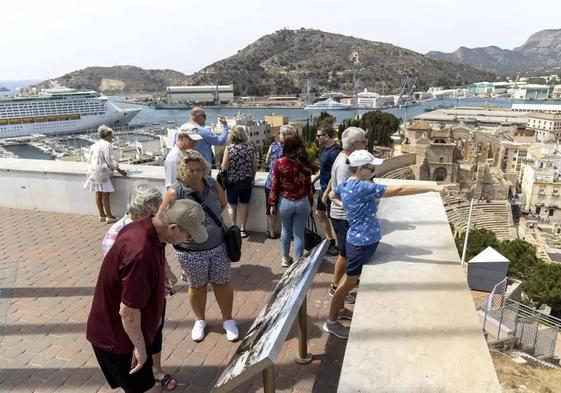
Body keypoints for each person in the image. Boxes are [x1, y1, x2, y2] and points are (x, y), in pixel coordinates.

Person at [87, 198, 208, 393]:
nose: (189, 240)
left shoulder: (146, 225)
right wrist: (141, 349)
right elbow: (128, 312)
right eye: (189, 236)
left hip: (125, 333)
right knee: (147, 390)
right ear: (174, 228)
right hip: (119, 339)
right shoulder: (141, 254)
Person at [323, 150, 443, 339]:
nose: (374, 169)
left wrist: (345, 205)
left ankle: (340, 309)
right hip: (360, 243)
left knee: (350, 282)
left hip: (359, 240)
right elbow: (400, 190)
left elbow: (330, 195)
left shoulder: (346, 185)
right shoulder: (364, 188)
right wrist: (430, 188)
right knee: (348, 284)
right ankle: (331, 322)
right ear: (361, 169)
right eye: (371, 167)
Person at [101, 185, 178, 391]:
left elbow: (158, 250)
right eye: (153, 213)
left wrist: (164, 273)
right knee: (141, 380)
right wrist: (138, 346)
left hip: (148, 301)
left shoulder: (151, 229)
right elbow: (127, 305)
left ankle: (156, 369)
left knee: (155, 332)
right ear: (138, 212)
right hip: (132, 312)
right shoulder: (125, 238)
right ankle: (149, 371)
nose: (159, 217)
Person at [165, 149, 239, 343]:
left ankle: (228, 320)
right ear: (183, 170)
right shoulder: (176, 191)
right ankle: (200, 320)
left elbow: (222, 205)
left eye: (199, 169)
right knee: (197, 286)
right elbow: (163, 219)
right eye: (191, 170)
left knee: (222, 283)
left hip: (218, 246)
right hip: (190, 251)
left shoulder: (213, 185)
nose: (195, 174)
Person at [324, 127, 368, 303]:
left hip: (344, 215)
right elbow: (344, 192)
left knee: (346, 252)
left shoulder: (344, 158)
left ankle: (342, 284)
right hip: (343, 215)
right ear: (356, 144)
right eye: (364, 142)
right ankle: (336, 287)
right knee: (344, 253)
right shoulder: (345, 164)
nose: (366, 144)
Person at [269, 133, 318, 267]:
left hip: (285, 202)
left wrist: (272, 204)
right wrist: (311, 202)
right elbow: (309, 185)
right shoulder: (305, 164)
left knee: (285, 230)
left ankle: (285, 258)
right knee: (299, 233)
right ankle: (297, 262)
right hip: (303, 202)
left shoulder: (279, 163)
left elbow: (275, 185)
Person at [83, 125, 127, 224]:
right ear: (107, 135)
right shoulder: (107, 145)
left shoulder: (94, 145)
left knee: (98, 194)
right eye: (111, 135)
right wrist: (120, 171)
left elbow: (89, 159)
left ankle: (101, 215)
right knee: (105, 194)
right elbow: (110, 160)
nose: (113, 137)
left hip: (92, 171)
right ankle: (109, 216)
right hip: (102, 172)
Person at [221, 126, 257, 238]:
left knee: (232, 205)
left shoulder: (229, 148)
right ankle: (242, 229)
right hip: (246, 182)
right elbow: (254, 167)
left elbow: (224, 166)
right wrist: (251, 178)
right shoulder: (250, 148)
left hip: (232, 182)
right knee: (244, 204)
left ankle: (233, 228)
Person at [312, 124, 342, 256]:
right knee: (319, 213)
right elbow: (323, 170)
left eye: (319, 135)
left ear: (326, 136)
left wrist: (326, 193)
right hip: (324, 188)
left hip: (331, 191)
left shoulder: (335, 152)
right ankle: (330, 240)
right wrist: (313, 180)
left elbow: (334, 174)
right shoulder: (325, 150)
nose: (316, 138)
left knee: (334, 219)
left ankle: (339, 246)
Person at [264, 124, 296, 239]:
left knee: (270, 207)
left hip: (271, 182)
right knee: (285, 209)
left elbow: (267, 160)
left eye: (280, 133)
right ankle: (287, 232)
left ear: (286, 135)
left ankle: (271, 231)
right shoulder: (294, 149)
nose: (278, 135)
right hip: (286, 184)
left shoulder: (273, 146)